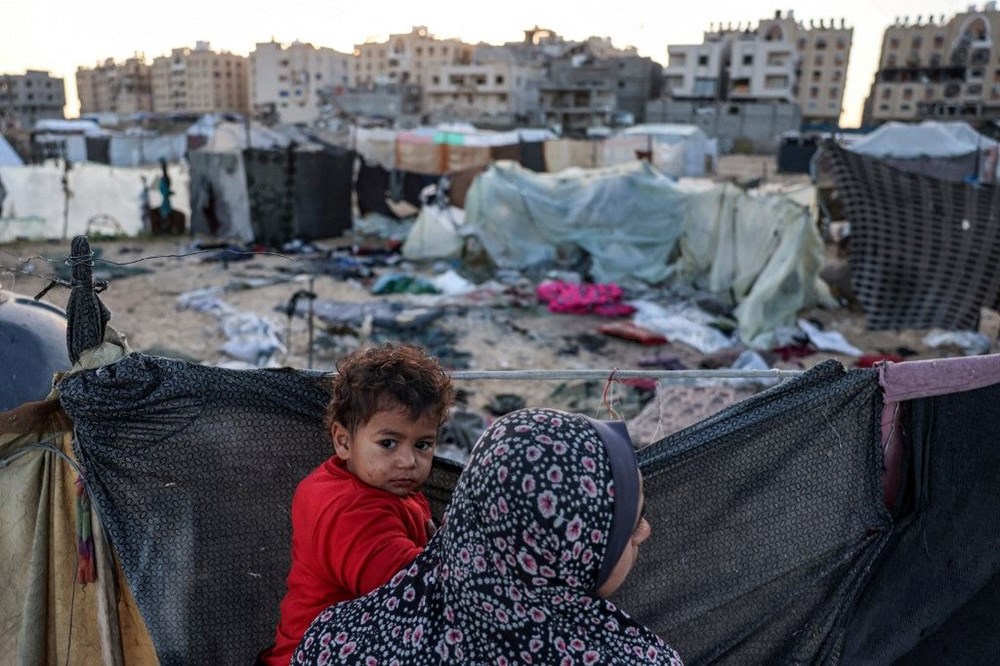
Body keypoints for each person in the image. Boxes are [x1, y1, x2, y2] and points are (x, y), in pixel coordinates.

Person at [293, 407, 683, 665]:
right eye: (629, 521)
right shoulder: (639, 659)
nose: (644, 531)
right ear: (567, 548)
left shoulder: (332, 640)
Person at [259, 342, 455, 666]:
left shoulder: (384, 483)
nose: (408, 461)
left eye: (423, 444)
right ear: (343, 441)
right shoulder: (350, 511)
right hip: (319, 655)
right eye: (388, 443)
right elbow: (410, 592)